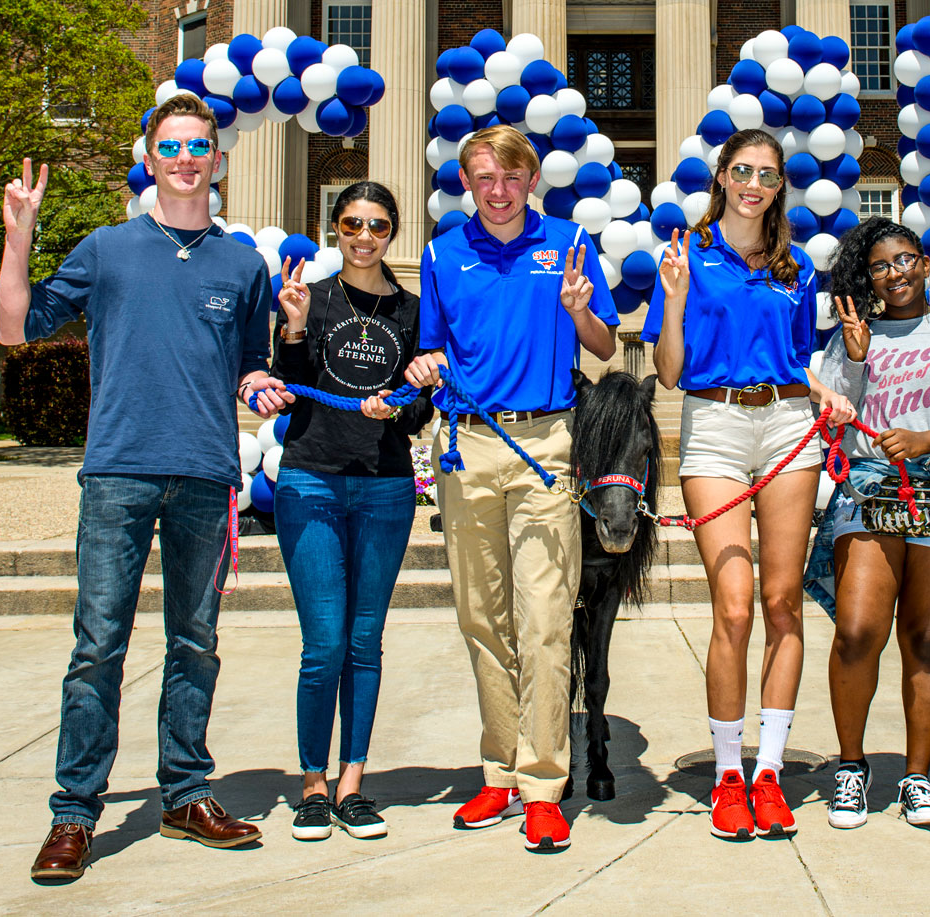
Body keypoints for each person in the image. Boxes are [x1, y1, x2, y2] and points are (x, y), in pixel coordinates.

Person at [0, 93, 288, 885]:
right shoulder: (107, 249)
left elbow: (250, 363)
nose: (187, 158)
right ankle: (73, 813)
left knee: (194, 645)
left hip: (204, 474)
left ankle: (185, 793)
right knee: (98, 646)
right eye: (172, 146)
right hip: (119, 472)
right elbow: (16, 328)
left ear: (217, 161)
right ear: (151, 157)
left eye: (200, 146)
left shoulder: (241, 264)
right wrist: (17, 240)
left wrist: (261, 382)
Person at [403, 124, 621, 854]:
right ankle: (497, 767)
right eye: (482, 178)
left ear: (531, 179)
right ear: (467, 183)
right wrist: (424, 366)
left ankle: (541, 781)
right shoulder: (441, 251)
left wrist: (578, 308)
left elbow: (604, 346)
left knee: (545, 617)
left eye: (510, 176)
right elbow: (432, 346)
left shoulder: (568, 241)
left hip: (546, 444)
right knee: (481, 617)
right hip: (466, 444)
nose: (496, 191)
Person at [643, 129, 854, 841]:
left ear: (777, 185)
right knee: (733, 608)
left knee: (781, 600)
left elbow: (796, 359)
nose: (753, 183)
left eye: (765, 173)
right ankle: (726, 773)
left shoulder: (796, 267)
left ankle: (769, 771)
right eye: (742, 170)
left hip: (788, 423)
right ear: (721, 177)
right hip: (715, 428)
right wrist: (672, 302)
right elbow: (669, 371)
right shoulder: (688, 256)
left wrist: (829, 390)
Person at [802, 217, 930, 833]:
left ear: (925, 264)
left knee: (924, 640)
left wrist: (929, 439)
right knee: (859, 631)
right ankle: (850, 766)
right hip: (869, 494)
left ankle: (918, 778)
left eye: (904, 260)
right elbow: (835, 425)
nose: (893, 273)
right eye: (879, 266)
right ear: (866, 277)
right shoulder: (851, 336)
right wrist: (858, 361)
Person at [270, 181, 435, 843]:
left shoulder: (413, 310)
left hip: (385, 487)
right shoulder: (313, 295)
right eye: (351, 223)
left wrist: (405, 400)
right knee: (325, 644)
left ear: (392, 231)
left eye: (377, 225)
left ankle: (352, 783)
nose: (363, 235)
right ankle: (311, 782)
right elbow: (287, 389)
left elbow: (421, 412)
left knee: (364, 644)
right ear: (334, 227)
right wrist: (293, 326)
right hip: (311, 480)